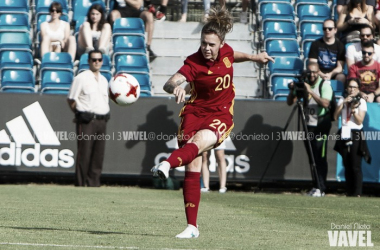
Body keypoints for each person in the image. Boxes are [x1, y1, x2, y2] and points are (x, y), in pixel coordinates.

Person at [150, 7, 274, 238]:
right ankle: (192, 227)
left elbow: (234, 55)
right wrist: (176, 87)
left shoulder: (226, 51)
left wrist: (255, 57)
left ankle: (166, 164)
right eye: (204, 43)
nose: (206, 48)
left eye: (211, 45)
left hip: (221, 115)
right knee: (193, 166)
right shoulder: (194, 63)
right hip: (194, 112)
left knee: (198, 142)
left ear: (221, 43)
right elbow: (170, 82)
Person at [287, 62, 333, 197]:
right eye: (310, 72)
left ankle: (321, 187)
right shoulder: (304, 83)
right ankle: (315, 185)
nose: (312, 75)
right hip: (308, 125)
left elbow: (325, 103)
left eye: (314, 72)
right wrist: (293, 89)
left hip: (321, 125)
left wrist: (311, 91)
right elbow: (290, 102)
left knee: (320, 156)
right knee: (311, 158)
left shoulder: (323, 85)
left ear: (318, 72)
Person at [67, 49, 110, 187]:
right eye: (94, 60)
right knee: (84, 153)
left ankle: (94, 184)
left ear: (102, 61)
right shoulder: (81, 78)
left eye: (99, 60)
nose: (96, 62)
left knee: (99, 154)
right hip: (87, 120)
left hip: (102, 120)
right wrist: (79, 113)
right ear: (89, 61)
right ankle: (80, 183)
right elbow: (71, 99)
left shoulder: (104, 80)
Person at [333, 78, 371, 197]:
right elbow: (335, 117)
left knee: (355, 165)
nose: (352, 89)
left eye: (354, 87)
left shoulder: (361, 102)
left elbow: (359, 122)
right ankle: (349, 192)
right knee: (347, 163)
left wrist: (354, 110)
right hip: (344, 131)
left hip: (356, 133)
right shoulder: (342, 99)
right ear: (346, 88)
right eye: (350, 87)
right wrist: (344, 103)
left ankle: (357, 193)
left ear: (358, 89)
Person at [309, 19, 346, 84]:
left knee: (341, 77)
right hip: (318, 73)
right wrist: (321, 74)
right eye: (324, 28)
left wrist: (330, 74)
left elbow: (340, 67)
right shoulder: (315, 44)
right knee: (311, 75)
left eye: (330, 29)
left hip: (333, 74)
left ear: (335, 30)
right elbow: (312, 64)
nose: (327, 30)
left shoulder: (340, 46)